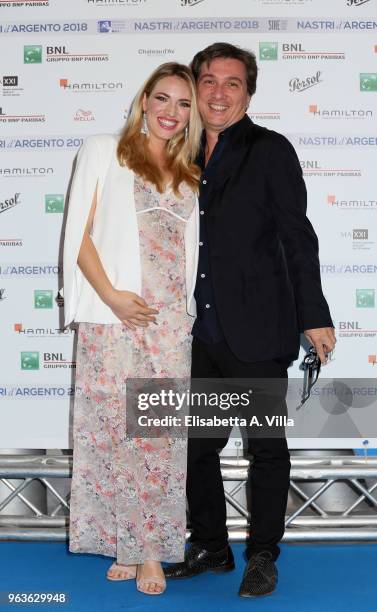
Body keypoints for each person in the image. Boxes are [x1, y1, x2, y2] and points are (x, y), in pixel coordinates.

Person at [164, 43, 336, 597]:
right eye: (208, 81)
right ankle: (211, 547)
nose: (218, 93)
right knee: (194, 446)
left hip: (256, 329)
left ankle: (262, 554)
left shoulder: (270, 151)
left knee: (266, 447)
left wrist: (314, 315)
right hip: (193, 331)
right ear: (195, 88)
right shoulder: (173, 155)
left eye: (231, 83)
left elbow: (297, 238)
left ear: (248, 92)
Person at [62, 62, 202, 595]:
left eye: (183, 104)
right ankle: (122, 539)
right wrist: (114, 298)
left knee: (158, 439)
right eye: (162, 99)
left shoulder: (191, 171)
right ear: (144, 101)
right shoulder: (105, 149)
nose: (171, 112)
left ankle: (149, 551)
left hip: (168, 325)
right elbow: (79, 234)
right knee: (110, 433)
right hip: (112, 316)